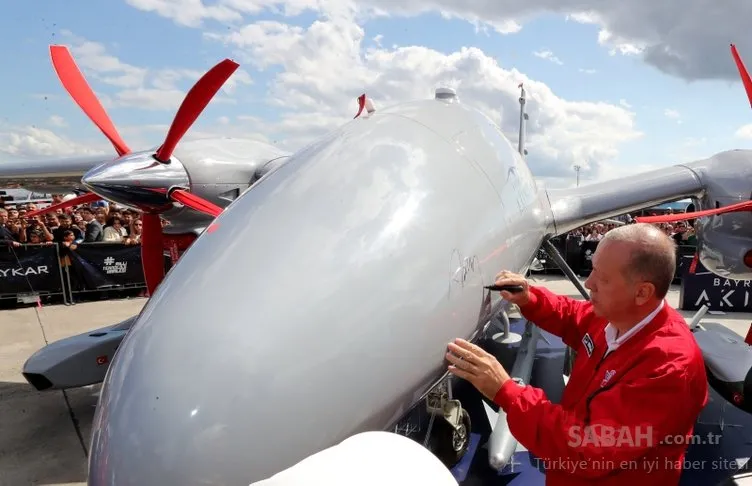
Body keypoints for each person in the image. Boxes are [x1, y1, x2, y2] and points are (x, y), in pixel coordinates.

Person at [446, 223, 708, 485]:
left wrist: (506, 392)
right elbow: (574, 317)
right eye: (592, 269)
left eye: (602, 278)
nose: (589, 283)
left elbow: (588, 448)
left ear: (642, 292)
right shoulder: (616, 317)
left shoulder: (668, 369)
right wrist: (530, 298)